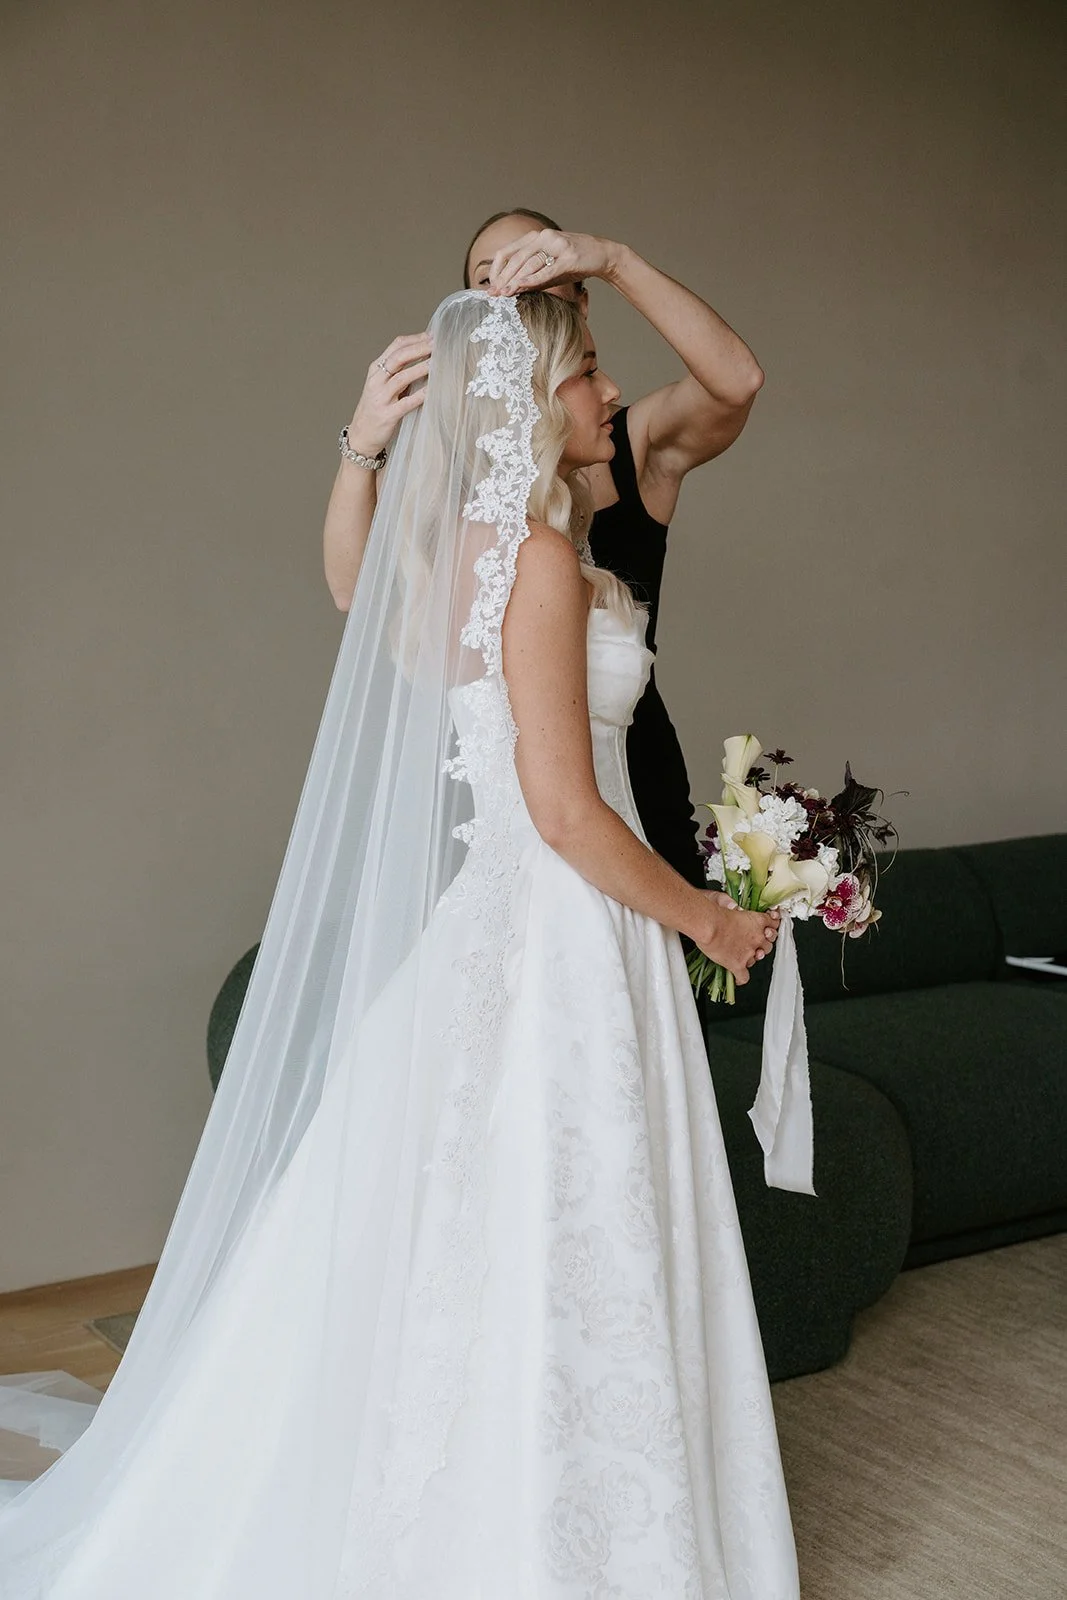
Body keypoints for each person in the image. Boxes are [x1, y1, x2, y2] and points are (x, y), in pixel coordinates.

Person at [0, 289, 798, 1598]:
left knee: (516, 1228)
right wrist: (703, 914)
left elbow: (360, 597)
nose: (608, 393)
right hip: (558, 934)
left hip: (535, 927)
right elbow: (558, 808)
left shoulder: (503, 547)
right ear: (537, 399)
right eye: (589, 371)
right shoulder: (531, 559)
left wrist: (364, 459)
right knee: (561, 1219)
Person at [324, 208, 764, 888]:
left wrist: (615, 259)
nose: (516, 285)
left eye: (539, 264)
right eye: (490, 277)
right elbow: (360, 594)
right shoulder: (468, 488)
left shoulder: (623, 443)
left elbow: (734, 383)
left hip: (634, 774)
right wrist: (361, 449)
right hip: (528, 806)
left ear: (578, 294)